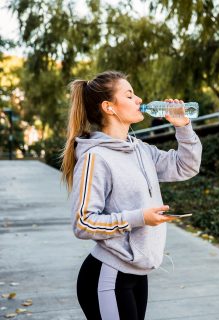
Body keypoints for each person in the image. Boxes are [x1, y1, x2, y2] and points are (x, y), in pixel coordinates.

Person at [60, 70, 202, 320]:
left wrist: (184, 128)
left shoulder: (141, 150)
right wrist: (139, 218)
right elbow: (82, 223)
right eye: (129, 95)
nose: (139, 99)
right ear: (109, 107)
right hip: (109, 275)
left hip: (138, 275)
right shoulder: (95, 157)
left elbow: (185, 167)